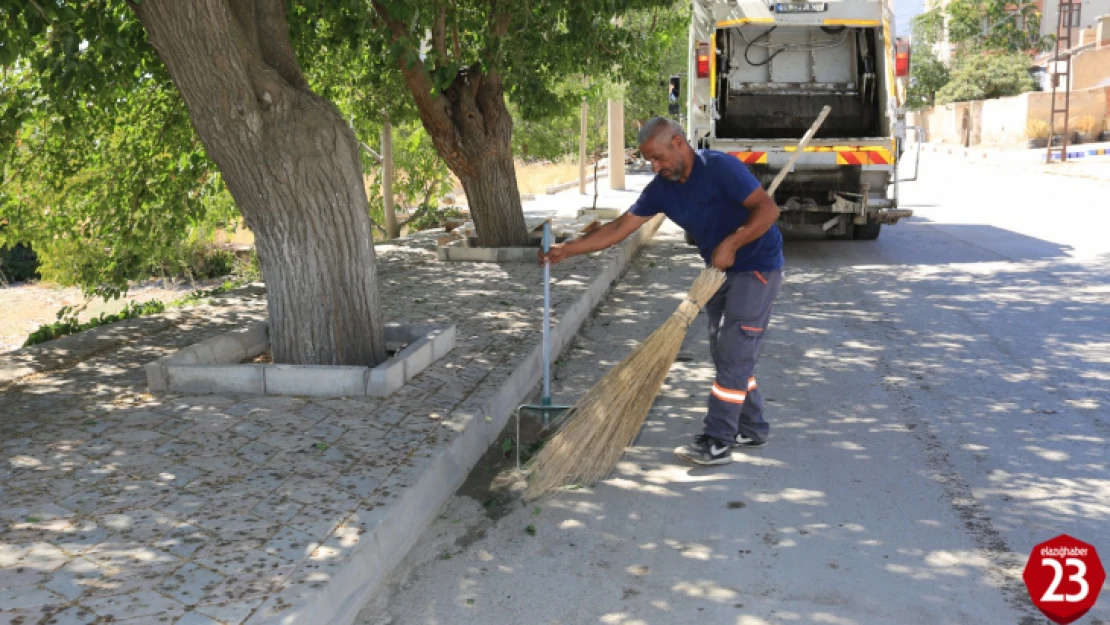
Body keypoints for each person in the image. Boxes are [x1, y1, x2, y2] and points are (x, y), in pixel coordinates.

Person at [539, 117, 784, 466]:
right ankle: (753, 426)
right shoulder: (661, 189)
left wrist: (733, 241)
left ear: (679, 143)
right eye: (649, 160)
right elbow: (621, 227)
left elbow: (768, 209)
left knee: (733, 351)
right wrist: (569, 249)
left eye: (658, 158)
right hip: (718, 271)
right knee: (726, 351)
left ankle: (718, 439)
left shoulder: (720, 168)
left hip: (757, 265)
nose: (654, 166)